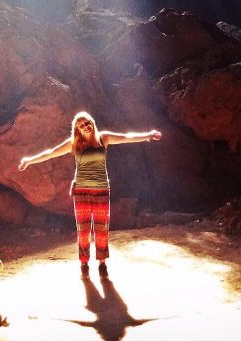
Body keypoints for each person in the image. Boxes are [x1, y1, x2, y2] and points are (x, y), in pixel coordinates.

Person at [18, 112, 162, 278]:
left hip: (101, 190)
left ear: (92, 122)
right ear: (77, 129)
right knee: (83, 229)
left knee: (102, 228)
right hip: (81, 191)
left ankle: (102, 264)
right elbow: (50, 152)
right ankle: (84, 263)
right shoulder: (74, 144)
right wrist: (28, 160)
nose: (86, 126)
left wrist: (148, 135)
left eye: (87, 122)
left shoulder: (104, 138)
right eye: (81, 125)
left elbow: (126, 137)